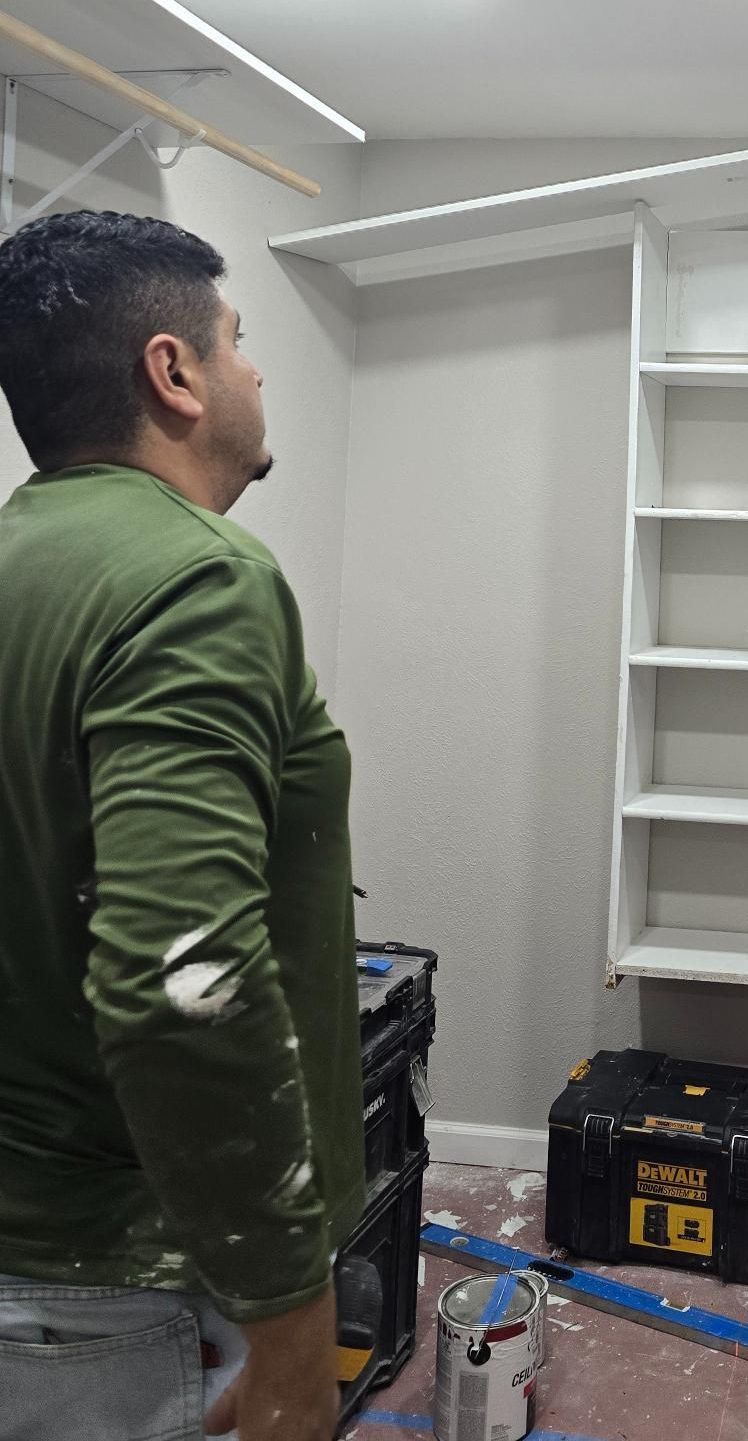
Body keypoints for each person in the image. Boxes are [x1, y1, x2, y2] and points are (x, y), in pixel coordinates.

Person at [0, 210, 363, 1441]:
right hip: (115, 1274)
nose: (257, 370)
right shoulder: (199, 576)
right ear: (175, 373)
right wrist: (292, 1325)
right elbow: (181, 975)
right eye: (240, 341)